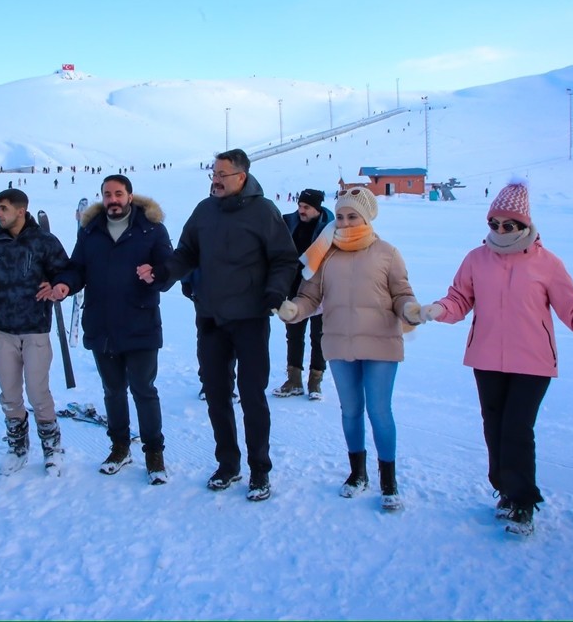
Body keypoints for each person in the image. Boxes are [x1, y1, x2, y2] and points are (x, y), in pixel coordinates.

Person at [413, 181, 573, 536]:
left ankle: (523, 502)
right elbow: (459, 299)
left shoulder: (547, 264)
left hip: (532, 362)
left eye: (508, 225)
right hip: (486, 358)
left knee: (517, 429)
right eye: (494, 224)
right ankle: (505, 490)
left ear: (525, 225)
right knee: (494, 427)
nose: (500, 231)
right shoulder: (476, 258)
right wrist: (437, 309)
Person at [138, 149, 298, 501]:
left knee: (253, 397)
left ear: (241, 177)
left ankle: (259, 470)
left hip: (250, 318)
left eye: (222, 174)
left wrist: (274, 293)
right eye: (213, 173)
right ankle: (228, 464)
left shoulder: (264, 211)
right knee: (216, 394)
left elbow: (285, 259)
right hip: (210, 316)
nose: (215, 179)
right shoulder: (204, 210)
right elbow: (186, 253)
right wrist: (164, 272)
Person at [277, 186, 416, 510]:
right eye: (340, 216)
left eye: (352, 216)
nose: (345, 222)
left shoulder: (387, 253)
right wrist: (296, 309)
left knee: (379, 412)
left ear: (366, 217)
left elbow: (402, 293)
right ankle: (357, 474)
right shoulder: (326, 254)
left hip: (380, 344)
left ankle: (389, 482)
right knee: (350, 411)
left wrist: (410, 309)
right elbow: (310, 295)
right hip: (339, 342)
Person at [45, 174, 174, 484]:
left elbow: (170, 270)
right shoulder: (91, 231)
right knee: (113, 391)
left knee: (144, 390)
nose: (113, 200)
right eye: (107, 194)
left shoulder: (151, 229)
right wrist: (65, 284)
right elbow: (77, 268)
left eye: (118, 193)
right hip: (102, 324)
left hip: (140, 323)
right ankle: (119, 447)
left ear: (130, 196)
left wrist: (155, 273)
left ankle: (154, 453)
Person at [0, 189, 70, 477]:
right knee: (10, 394)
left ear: (20, 210)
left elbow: (66, 272)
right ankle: (17, 446)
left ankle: (52, 448)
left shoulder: (44, 242)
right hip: (3, 330)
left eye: (3, 208)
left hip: (35, 328)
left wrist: (57, 285)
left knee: (39, 393)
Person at [273, 188, 334, 400]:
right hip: (294, 289)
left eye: (306, 207)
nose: (301, 210)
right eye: (300, 206)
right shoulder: (289, 222)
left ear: (317, 209)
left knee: (319, 336)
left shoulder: (330, 228)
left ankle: (315, 382)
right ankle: (294, 380)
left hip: (321, 291)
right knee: (294, 335)